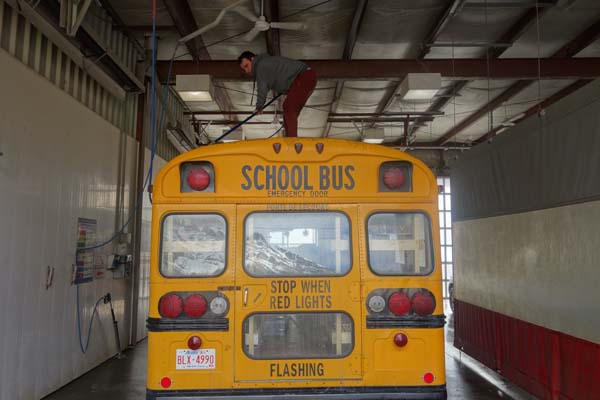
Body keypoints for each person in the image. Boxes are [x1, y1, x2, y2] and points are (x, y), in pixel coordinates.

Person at [238, 51, 317, 138]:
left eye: (246, 66)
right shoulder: (265, 64)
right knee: (289, 112)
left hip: (303, 77)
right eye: (243, 69)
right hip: (307, 78)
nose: (246, 71)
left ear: (252, 59)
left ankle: (292, 140)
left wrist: (259, 106)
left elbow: (262, 88)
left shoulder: (261, 66)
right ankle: (289, 138)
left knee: (288, 107)